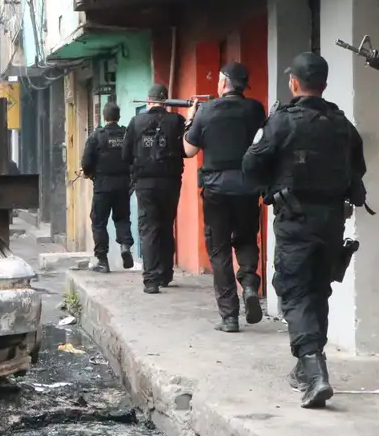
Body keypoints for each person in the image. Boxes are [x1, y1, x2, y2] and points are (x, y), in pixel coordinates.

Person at [242, 53, 367, 409]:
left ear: (294, 83)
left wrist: (272, 181)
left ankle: (314, 372)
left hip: (295, 221)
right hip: (331, 223)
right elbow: (358, 169)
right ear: (323, 84)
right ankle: (305, 367)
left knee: (295, 293)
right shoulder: (342, 124)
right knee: (317, 291)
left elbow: (250, 165)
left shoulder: (281, 122)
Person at [184, 62, 267, 332]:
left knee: (219, 250)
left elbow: (188, 150)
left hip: (216, 190)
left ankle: (230, 317)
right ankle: (250, 285)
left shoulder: (206, 111)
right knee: (246, 239)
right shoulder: (255, 109)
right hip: (247, 188)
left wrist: (189, 119)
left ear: (222, 83)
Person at [123, 84, 187, 294]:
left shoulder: (136, 122)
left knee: (149, 228)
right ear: (166, 100)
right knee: (166, 225)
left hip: (145, 184)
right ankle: (165, 274)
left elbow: (125, 154)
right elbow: (186, 149)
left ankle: (151, 280)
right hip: (170, 183)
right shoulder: (177, 121)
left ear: (148, 100)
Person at [81, 102, 135, 273]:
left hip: (102, 186)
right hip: (123, 185)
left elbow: (86, 163)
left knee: (99, 222)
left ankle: (103, 261)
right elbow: (134, 158)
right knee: (122, 218)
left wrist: (88, 173)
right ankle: (125, 246)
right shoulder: (126, 134)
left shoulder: (96, 136)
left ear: (104, 117)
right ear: (118, 117)